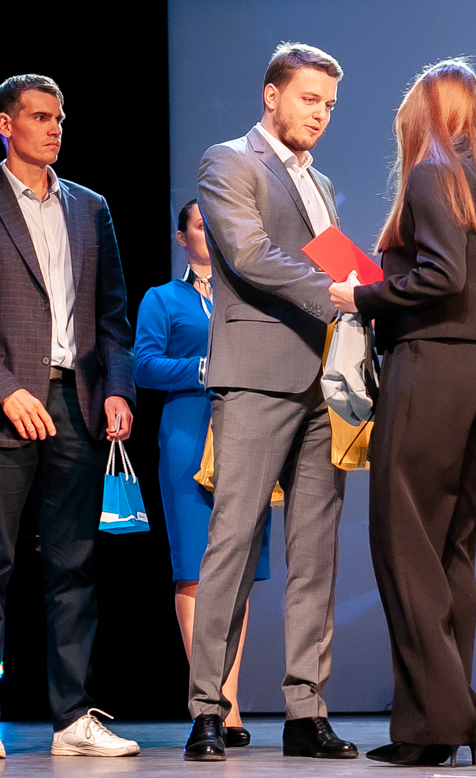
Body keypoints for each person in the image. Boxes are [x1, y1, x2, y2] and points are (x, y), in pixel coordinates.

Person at [0, 74, 138, 761]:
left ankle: (73, 717)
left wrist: (117, 390)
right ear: (5, 124)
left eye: (60, 118)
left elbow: (113, 317)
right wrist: (3, 390)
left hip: (76, 402)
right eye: (41, 117)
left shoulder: (90, 206)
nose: (54, 128)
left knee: (74, 565)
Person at [328, 60, 476, 767]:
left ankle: (438, 722)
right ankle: (442, 722)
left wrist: (361, 296)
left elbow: (443, 274)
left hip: (433, 365)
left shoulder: (433, 173)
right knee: (450, 548)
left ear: (424, 113)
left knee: (405, 546)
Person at [184, 42, 358, 763]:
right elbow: (250, 254)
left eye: (329, 104)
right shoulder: (229, 161)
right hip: (258, 376)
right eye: (309, 98)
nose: (320, 114)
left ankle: (305, 710)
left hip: (326, 385)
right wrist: (341, 294)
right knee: (233, 541)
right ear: (271, 95)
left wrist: (376, 296)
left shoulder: (320, 182)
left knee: (315, 553)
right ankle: (207, 708)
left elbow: (342, 267)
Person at [134, 200, 272, 749]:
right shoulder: (163, 299)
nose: (210, 235)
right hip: (189, 432)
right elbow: (144, 364)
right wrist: (204, 368)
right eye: (199, 226)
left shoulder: (251, 294)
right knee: (195, 568)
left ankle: (229, 705)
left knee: (238, 570)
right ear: (181, 238)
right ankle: (210, 705)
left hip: (250, 431)